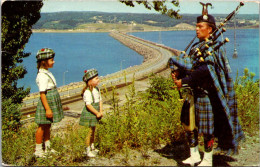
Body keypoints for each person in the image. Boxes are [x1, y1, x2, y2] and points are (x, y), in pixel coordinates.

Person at [169, 3, 244, 166]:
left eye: (200, 26)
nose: (196, 29)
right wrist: (179, 72)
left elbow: (205, 71)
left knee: (207, 129)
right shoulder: (197, 47)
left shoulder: (214, 48)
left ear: (210, 29)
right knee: (189, 126)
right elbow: (192, 66)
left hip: (205, 94)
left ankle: (207, 160)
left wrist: (184, 81)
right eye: (196, 26)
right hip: (193, 94)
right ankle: (194, 154)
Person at [34, 48, 64, 158]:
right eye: (51, 60)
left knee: (47, 126)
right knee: (42, 126)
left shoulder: (46, 72)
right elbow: (42, 94)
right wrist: (47, 109)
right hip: (46, 103)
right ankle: (38, 151)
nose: (53, 62)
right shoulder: (42, 75)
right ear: (43, 62)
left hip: (50, 101)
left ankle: (48, 148)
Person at [79, 69, 103, 158]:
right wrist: (97, 113)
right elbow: (88, 105)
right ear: (90, 81)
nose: (98, 80)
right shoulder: (87, 92)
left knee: (93, 130)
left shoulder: (97, 89)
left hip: (96, 112)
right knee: (89, 132)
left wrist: (101, 111)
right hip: (90, 113)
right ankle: (88, 149)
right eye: (96, 78)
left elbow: (100, 100)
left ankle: (92, 146)